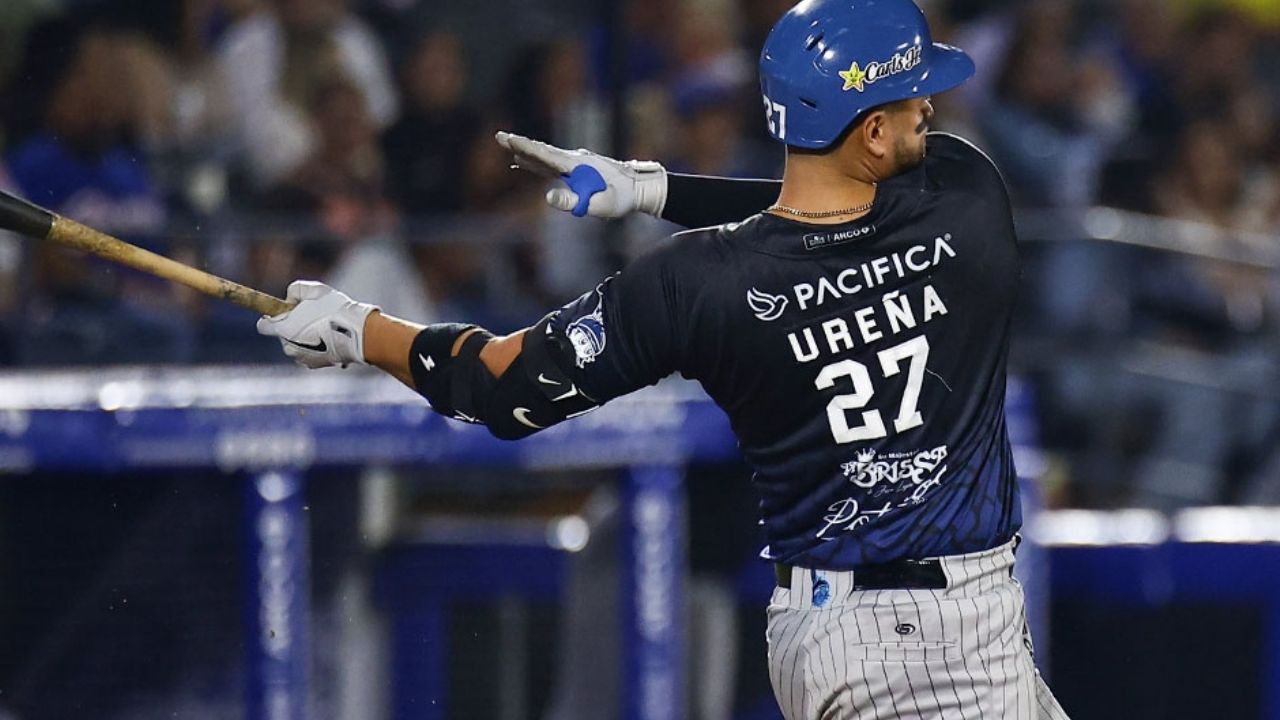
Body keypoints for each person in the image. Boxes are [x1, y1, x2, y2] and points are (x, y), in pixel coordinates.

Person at [257, 0, 1071, 717]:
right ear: (870, 129)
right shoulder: (970, 198)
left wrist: (364, 331)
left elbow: (502, 388)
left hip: (839, 633)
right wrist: (661, 190)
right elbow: (833, 212)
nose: (929, 109)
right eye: (910, 101)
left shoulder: (695, 281)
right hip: (925, 650)